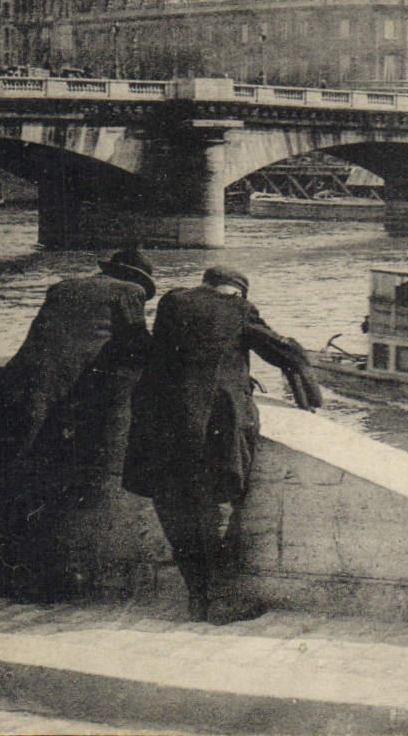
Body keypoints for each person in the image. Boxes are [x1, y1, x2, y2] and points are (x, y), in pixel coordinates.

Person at [122, 266, 320, 624]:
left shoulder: (172, 301)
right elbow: (280, 351)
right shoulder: (239, 309)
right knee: (217, 504)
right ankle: (220, 601)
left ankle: (197, 596)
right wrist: (299, 360)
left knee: (173, 507)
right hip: (211, 426)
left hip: (158, 420)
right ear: (237, 292)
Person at [0, 246, 156, 600]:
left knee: (6, 479)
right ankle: (39, 582)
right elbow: (139, 347)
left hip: (16, 384)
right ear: (138, 279)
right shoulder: (128, 291)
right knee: (47, 483)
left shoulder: (63, 286)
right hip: (54, 397)